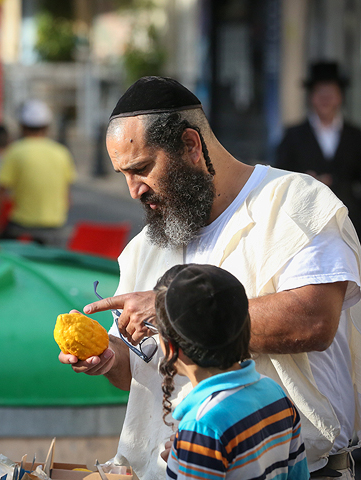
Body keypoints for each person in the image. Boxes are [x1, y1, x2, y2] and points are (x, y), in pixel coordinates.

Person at [58, 76, 361, 479]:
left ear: (190, 145)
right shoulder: (145, 248)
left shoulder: (294, 202)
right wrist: (110, 360)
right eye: (123, 174)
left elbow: (314, 321)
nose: (133, 190)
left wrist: (167, 309)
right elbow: (145, 372)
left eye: (142, 169)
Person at [153, 264, 309, 479]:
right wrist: (188, 455)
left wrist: (191, 452)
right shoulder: (275, 393)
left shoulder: (203, 427)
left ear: (171, 347)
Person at [277, 61, 361, 231]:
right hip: (304, 222)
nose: (325, 99)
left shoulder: (355, 136)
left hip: (349, 222)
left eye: (330, 92)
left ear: (340, 96)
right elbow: (279, 174)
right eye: (320, 92)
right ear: (311, 97)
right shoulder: (293, 135)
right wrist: (304, 179)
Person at [0, 99, 76, 246]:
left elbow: (0, 196)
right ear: (47, 127)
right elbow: (67, 198)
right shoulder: (62, 153)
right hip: (55, 230)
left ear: (22, 126)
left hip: (21, 230)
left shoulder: (14, 151)